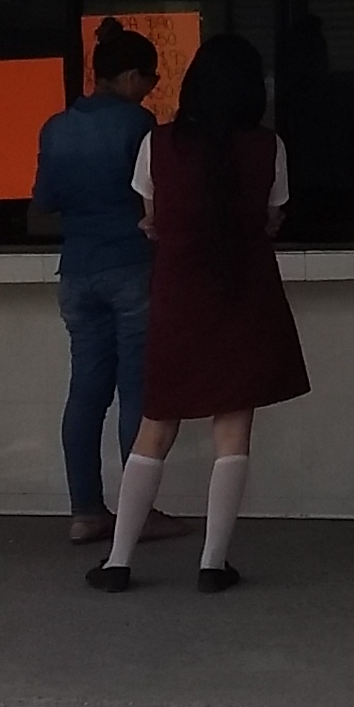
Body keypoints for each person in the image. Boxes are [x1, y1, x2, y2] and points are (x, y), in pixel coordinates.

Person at [89, 32, 306, 592]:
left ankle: (118, 562)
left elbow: (155, 215)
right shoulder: (269, 146)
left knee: (154, 425)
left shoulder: (157, 145)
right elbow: (271, 217)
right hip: (244, 290)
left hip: (178, 292)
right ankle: (213, 563)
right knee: (232, 428)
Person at [31, 21, 188, 549]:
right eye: (150, 78)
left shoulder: (55, 126)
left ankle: (85, 512)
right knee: (136, 395)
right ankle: (136, 514)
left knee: (85, 394)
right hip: (131, 267)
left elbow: (43, 204)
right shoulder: (138, 125)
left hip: (77, 271)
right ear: (127, 76)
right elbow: (157, 198)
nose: (152, 88)